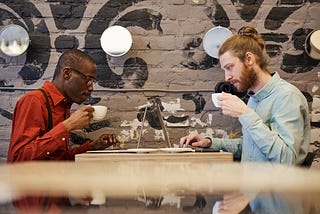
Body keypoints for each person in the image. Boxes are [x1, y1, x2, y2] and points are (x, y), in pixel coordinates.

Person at [180, 26, 311, 213]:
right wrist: (209, 142)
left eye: (229, 67)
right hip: (255, 200)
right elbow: (252, 146)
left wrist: (245, 114)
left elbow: (286, 159)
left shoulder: (286, 97)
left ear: (249, 59)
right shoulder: (254, 99)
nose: (227, 77)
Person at [7, 49, 119, 213]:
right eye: (88, 80)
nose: (91, 88)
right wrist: (67, 126)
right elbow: (19, 159)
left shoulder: (63, 107)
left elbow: (53, 159)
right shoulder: (33, 101)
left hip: (56, 203)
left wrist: (91, 147)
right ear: (67, 73)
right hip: (34, 206)